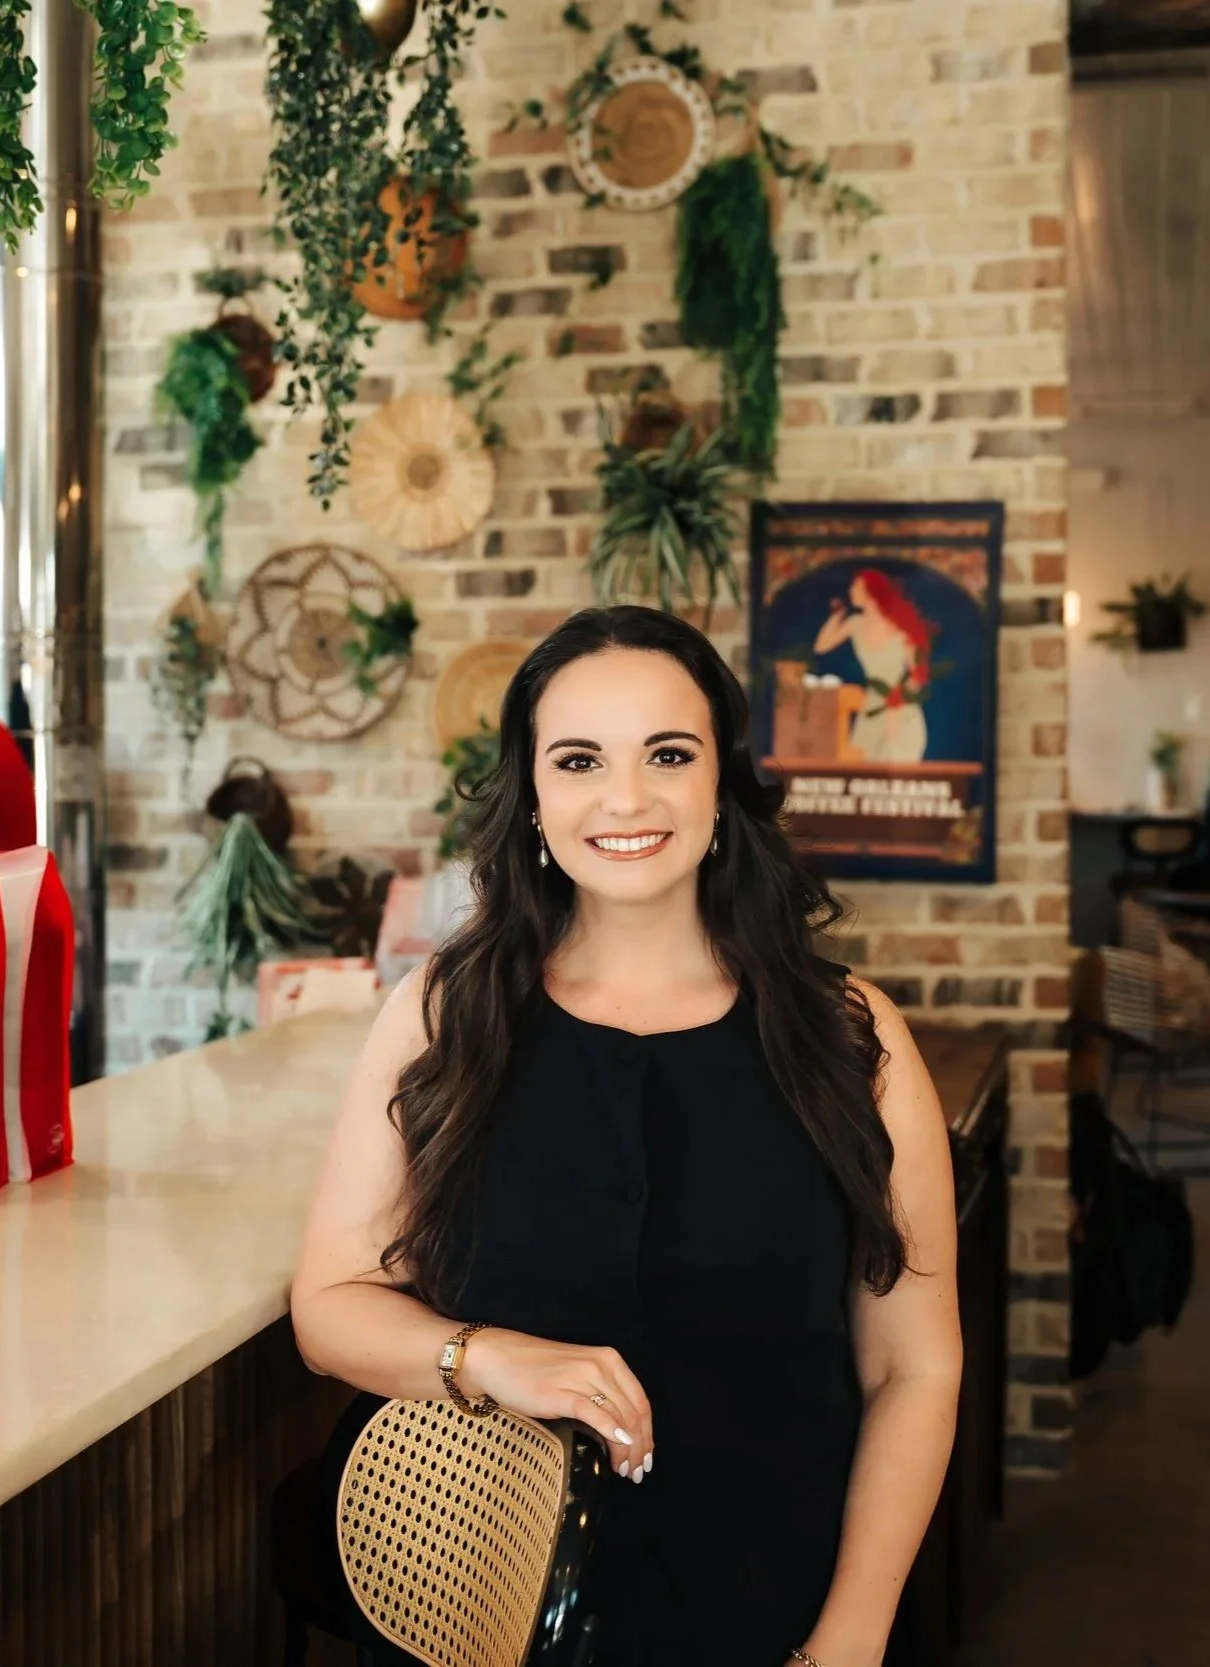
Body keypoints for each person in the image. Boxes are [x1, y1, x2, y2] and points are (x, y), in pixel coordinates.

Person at [291, 604, 961, 1667]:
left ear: (721, 785)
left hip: (774, 1603)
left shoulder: (853, 1037)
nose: (626, 796)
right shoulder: (445, 1013)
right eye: (579, 759)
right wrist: (484, 1355)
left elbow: (912, 1371)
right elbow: (328, 1307)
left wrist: (850, 1634)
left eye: (667, 753)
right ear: (535, 799)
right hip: (483, 1610)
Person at [812, 571, 935, 764]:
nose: (851, 591)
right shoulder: (855, 624)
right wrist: (838, 614)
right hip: (873, 705)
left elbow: (918, 675)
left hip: (900, 706)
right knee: (865, 765)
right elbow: (821, 646)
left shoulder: (899, 625)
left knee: (897, 765)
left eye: (856, 587)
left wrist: (898, 705)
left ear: (871, 591)